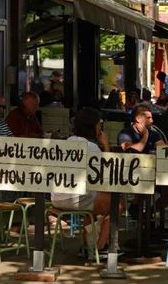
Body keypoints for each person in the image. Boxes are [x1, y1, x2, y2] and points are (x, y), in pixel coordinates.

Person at [51, 108, 119, 258]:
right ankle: (101, 247)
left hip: (56, 199)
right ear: (93, 126)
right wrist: (106, 145)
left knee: (95, 199)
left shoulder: (65, 143)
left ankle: (87, 246)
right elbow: (107, 174)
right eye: (99, 125)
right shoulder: (92, 148)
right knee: (116, 204)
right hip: (76, 201)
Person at [118, 105, 168, 217]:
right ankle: (137, 207)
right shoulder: (125, 133)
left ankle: (149, 214)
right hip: (132, 174)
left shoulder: (154, 134)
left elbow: (164, 149)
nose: (152, 120)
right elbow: (135, 148)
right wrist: (145, 136)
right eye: (148, 117)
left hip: (154, 173)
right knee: (145, 183)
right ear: (138, 119)